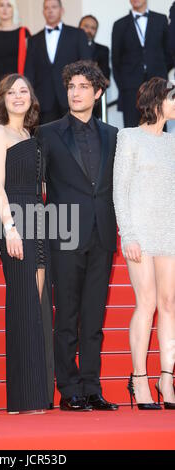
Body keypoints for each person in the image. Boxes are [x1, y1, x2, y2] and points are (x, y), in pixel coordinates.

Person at [37, 61, 119, 412]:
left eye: (84, 86)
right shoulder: (48, 132)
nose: (76, 92)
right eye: (71, 86)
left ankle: (91, 387)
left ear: (98, 92)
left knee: (94, 317)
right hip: (65, 235)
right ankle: (68, 388)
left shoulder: (113, 135)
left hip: (102, 233)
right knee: (67, 315)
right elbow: (36, 185)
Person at [0, 74, 54, 414]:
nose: (17, 96)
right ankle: (24, 398)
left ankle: (36, 395)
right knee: (23, 304)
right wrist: (10, 229)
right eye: (11, 92)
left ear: (31, 98)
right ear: (2, 98)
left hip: (39, 218)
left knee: (37, 305)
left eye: (23, 91)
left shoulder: (29, 134)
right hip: (16, 219)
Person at [113, 77, 175, 411]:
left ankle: (166, 377)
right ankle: (138, 378)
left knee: (169, 303)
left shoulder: (173, 142)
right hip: (141, 232)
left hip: (170, 231)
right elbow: (120, 188)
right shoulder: (129, 137)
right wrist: (129, 233)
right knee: (147, 301)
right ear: (157, 100)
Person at [25, 0, 91, 124]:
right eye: (47, 8)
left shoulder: (77, 34)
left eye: (54, 7)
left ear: (62, 10)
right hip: (44, 101)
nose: (50, 10)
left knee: (75, 140)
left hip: (72, 96)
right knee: (47, 141)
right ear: (43, 12)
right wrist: (31, 100)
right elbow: (29, 72)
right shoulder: (33, 40)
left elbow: (86, 67)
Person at [112, 0, 172, 128]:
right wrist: (124, 86)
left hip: (158, 86)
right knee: (132, 129)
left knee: (159, 127)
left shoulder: (161, 19)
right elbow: (116, 60)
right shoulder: (119, 24)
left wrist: (160, 72)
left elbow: (169, 52)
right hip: (130, 88)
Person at [0, 0, 30, 101]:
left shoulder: (23, 33)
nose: (5, 9)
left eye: (9, 5)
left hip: (18, 83)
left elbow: (29, 63)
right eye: (1, 5)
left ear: (13, 9)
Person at [79, 14, 110, 120]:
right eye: (86, 26)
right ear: (79, 27)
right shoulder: (69, 48)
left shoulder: (103, 50)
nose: (89, 30)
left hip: (94, 103)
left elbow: (105, 79)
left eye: (93, 28)